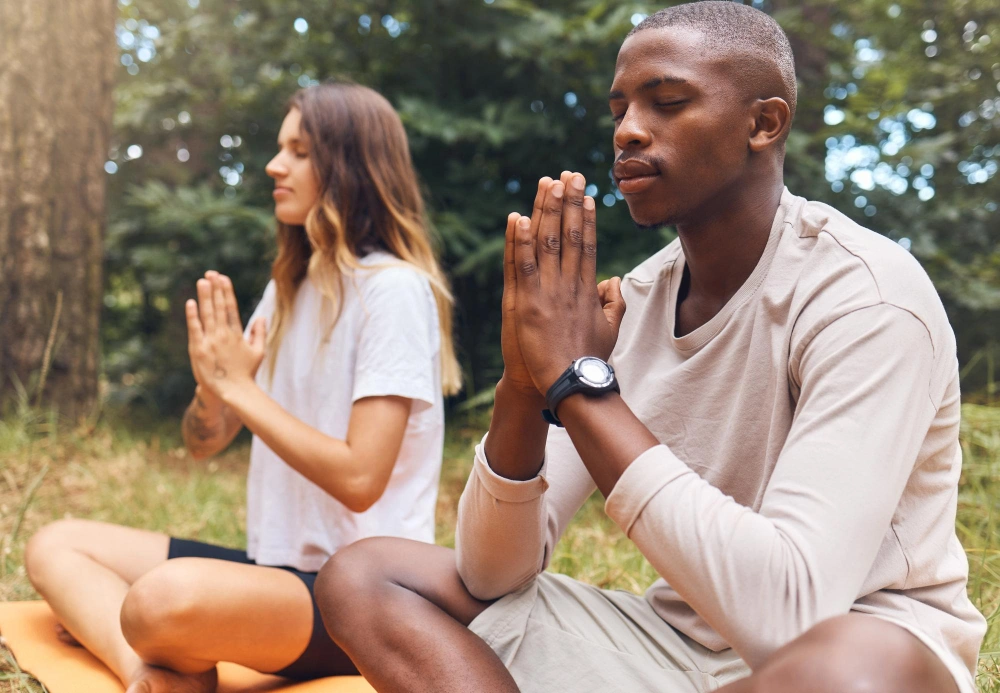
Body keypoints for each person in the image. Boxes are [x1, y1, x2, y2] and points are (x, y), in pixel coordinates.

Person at [312, 4, 987, 692]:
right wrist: (525, 385)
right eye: (619, 110)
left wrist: (580, 385)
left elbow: (793, 617)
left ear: (764, 123)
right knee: (368, 574)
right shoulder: (631, 302)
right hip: (666, 652)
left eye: (667, 101)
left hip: (851, 646)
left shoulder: (866, 295)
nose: (628, 131)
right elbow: (490, 574)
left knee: (850, 669)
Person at [24, 81, 460, 693]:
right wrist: (214, 390)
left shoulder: (393, 290)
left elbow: (362, 480)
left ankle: (164, 643)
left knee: (159, 602)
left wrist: (241, 390)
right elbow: (203, 443)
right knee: (57, 544)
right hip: (277, 574)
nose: (273, 165)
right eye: (281, 148)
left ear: (351, 166)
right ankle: (150, 676)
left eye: (299, 151)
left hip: (366, 597)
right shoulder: (288, 291)